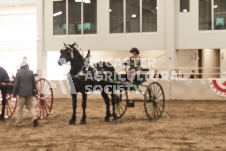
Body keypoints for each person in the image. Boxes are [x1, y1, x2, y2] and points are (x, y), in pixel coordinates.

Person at [13, 57, 38, 127]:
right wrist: (36, 91)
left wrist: (14, 93)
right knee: (31, 107)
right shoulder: (31, 72)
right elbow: (34, 83)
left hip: (21, 94)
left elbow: (16, 84)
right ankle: (34, 118)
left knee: (19, 108)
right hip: (30, 93)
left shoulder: (18, 73)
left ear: (21, 66)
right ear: (27, 65)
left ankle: (19, 122)